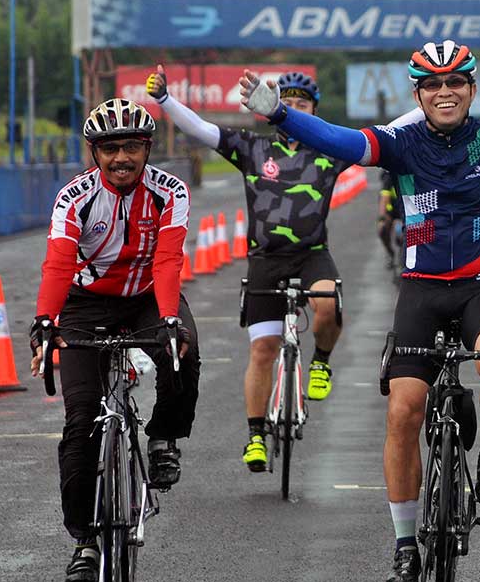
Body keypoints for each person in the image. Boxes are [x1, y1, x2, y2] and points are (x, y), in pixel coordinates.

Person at [239, 38, 480, 582]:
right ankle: (405, 544)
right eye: (432, 84)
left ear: (472, 88)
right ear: (418, 94)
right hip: (422, 290)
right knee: (403, 410)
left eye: (455, 82)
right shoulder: (401, 144)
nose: (445, 92)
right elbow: (340, 141)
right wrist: (279, 114)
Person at [28, 98, 201, 582]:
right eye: (109, 148)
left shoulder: (170, 192)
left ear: (147, 149)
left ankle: (165, 436)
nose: (120, 157)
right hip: (86, 302)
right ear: (94, 152)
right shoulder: (75, 197)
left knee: (183, 351)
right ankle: (84, 539)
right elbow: (59, 263)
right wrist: (46, 321)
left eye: (130, 147)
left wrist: (169, 320)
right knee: (80, 421)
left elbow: (169, 260)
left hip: (148, 295)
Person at [146, 65, 346, 472]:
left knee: (327, 301)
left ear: (313, 109)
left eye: (301, 103)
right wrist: (165, 100)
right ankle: (256, 434)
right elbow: (202, 130)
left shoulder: (331, 149)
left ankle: (321, 360)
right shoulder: (253, 148)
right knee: (263, 350)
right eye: (286, 102)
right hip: (264, 260)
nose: (292, 108)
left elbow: (388, 136)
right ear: (271, 108)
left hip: (312, 253)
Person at [377, 169, 403, 269]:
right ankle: (390, 253)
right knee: (382, 229)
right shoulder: (389, 176)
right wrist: (382, 219)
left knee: (400, 233)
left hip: (404, 210)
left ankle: (402, 253)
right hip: (391, 211)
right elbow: (384, 198)